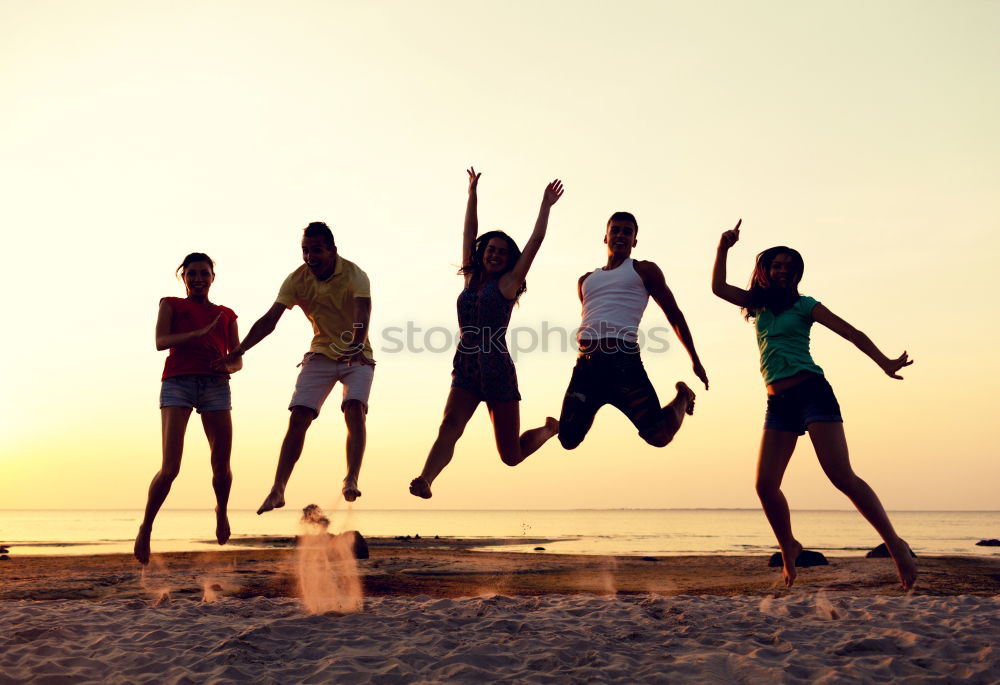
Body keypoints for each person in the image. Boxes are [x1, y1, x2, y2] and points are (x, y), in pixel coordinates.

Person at [711, 219, 917, 590]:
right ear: (765, 271)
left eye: (790, 267)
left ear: (796, 275)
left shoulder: (806, 305)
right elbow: (718, 288)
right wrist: (723, 247)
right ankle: (788, 546)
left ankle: (895, 544)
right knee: (764, 485)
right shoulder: (756, 305)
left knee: (841, 476)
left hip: (813, 394)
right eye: (777, 265)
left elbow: (851, 333)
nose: (784, 271)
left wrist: (885, 362)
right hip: (778, 404)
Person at [409, 168, 563, 499]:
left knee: (510, 457)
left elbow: (534, 243)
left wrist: (546, 205)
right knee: (449, 426)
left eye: (501, 252)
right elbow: (469, 232)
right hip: (465, 364)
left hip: (496, 368)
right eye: (490, 249)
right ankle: (426, 479)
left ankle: (550, 429)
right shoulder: (470, 278)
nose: (493, 254)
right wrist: (472, 194)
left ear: (509, 260)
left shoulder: (508, 284)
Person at [217, 222, 374, 512]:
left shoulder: (354, 274)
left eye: (316, 250)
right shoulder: (297, 280)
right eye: (305, 250)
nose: (310, 256)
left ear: (332, 250)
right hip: (320, 354)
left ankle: (351, 478)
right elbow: (269, 320)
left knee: (354, 408)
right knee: (299, 416)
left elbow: (363, 312)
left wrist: (355, 344)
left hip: (357, 354)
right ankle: (278, 488)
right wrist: (239, 350)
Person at [557, 212, 708, 452]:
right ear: (605, 236)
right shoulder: (585, 280)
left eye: (627, 232)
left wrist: (695, 359)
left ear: (634, 241)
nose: (620, 235)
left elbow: (674, 314)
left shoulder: (643, 270)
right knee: (568, 440)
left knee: (659, 436)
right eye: (615, 230)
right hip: (587, 367)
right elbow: (592, 319)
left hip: (623, 365)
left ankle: (683, 395)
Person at [135, 253, 241, 565]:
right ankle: (146, 528)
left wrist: (228, 364)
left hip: (215, 385)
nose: (198, 279)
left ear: (212, 277)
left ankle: (221, 511)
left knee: (221, 466)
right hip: (178, 382)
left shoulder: (227, 314)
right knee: (170, 467)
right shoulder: (171, 304)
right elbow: (160, 341)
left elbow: (237, 358)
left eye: (203, 274)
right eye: (192, 274)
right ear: (184, 278)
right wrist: (195, 334)